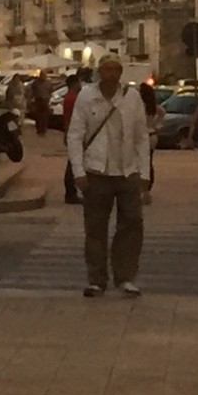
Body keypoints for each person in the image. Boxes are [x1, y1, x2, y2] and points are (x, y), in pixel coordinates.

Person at [68, 54, 150, 297]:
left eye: (116, 69)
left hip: (127, 171)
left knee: (132, 224)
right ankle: (96, 279)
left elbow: (141, 136)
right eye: (107, 69)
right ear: (100, 72)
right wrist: (78, 171)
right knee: (95, 228)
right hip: (96, 171)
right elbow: (74, 135)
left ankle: (125, 276)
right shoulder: (86, 97)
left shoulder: (132, 98)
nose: (112, 74)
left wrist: (144, 172)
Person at [138, 80, 164, 200]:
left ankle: (142, 189)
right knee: (149, 162)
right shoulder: (152, 106)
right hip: (152, 134)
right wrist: (155, 124)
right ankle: (147, 189)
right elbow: (163, 112)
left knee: (140, 162)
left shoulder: (139, 105)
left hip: (142, 135)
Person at [62, 72, 83, 204]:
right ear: (74, 84)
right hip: (74, 133)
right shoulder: (73, 98)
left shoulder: (69, 97)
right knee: (73, 163)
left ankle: (71, 192)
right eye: (79, 82)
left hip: (71, 132)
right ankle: (71, 193)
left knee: (73, 162)